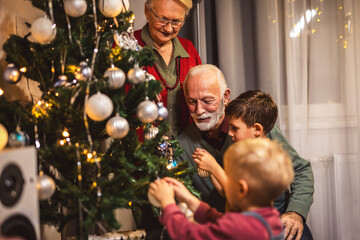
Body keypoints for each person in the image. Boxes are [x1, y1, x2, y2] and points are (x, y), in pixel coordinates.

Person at [176, 64, 314, 240]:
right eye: (191, 101)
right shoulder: (181, 145)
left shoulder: (254, 128)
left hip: (275, 222)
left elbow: (301, 170)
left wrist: (295, 212)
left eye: (207, 101)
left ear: (225, 97)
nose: (199, 110)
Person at [148, 138, 294, 240]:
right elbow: (221, 222)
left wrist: (168, 203)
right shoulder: (267, 218)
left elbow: (188, 235)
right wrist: (189, 199)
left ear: (242, 189)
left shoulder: (240, 228)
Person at [134, 0, 201, 137]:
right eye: (162, 19)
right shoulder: (128, 46)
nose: (169, 29)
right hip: (140, 152)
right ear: (147, 11)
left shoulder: (189, 49)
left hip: (184, 151)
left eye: (177, 22)